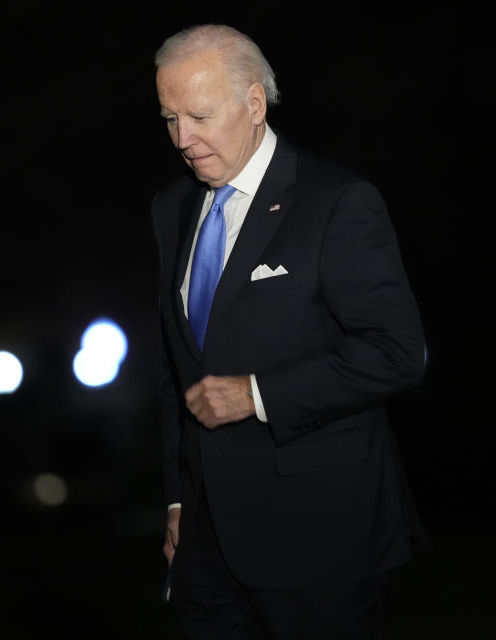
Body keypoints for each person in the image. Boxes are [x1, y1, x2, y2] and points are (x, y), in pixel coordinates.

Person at [149, 23, 428, 638]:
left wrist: (257, 394)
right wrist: (176, 500)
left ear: (254, 104)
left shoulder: (337, 201)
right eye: (169, 118)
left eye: (198, 114)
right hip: (203, 543)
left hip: (320, 537)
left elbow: (398, 353)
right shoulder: (171, 207)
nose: (182, 139)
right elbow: (177, 370)